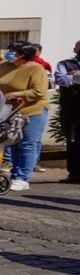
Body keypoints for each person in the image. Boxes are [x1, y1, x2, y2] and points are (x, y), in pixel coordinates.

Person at [0, 41, 50, 192]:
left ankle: (22, 178)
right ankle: (15, 174)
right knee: (13, 143)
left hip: (32, 111)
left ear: (23, 55)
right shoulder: (4, 66)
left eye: (13, 51)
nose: (9, 54)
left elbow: (39, 92)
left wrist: (17, 94)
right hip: (11, 111)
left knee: (28, 144)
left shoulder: (36, 69)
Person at [57, 39, 79, 183]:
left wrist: (75, 76)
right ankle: (74, 173)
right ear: (75, 49)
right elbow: (62, 80)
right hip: (71, 109)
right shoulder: (64, 64)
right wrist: (75, 77)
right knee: (72, 142)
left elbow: (69, 79)